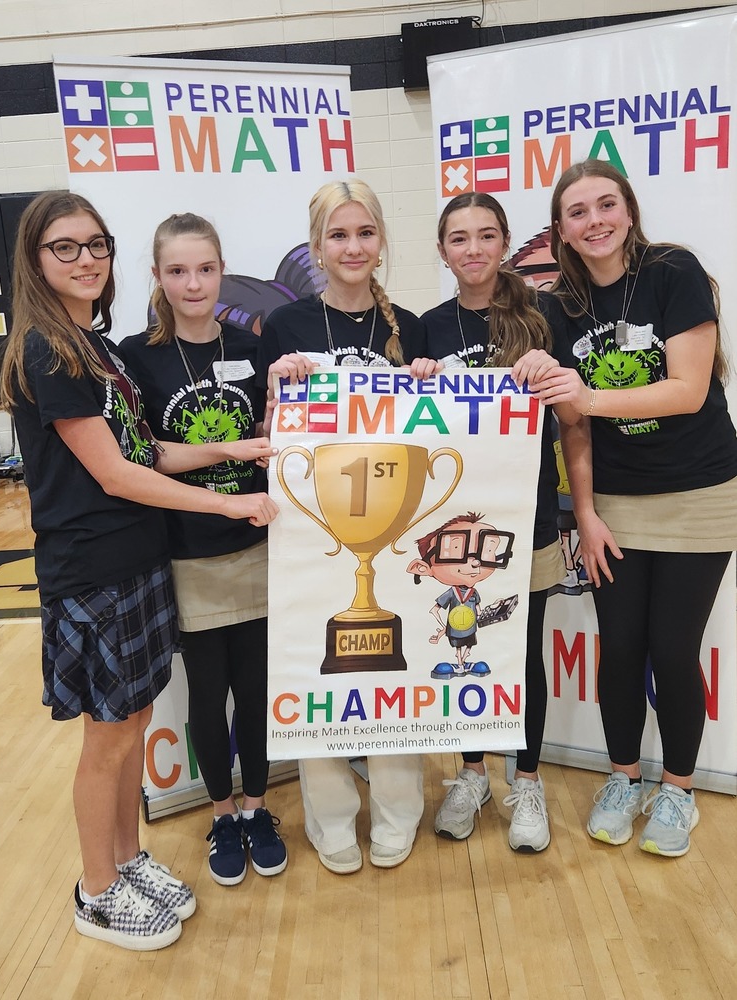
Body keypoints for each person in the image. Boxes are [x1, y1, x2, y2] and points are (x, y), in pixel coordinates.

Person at [0, 192, 278, 951]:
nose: (86, 259)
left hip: (140, 562)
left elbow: (148, 451)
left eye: (96, 244)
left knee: (136, 722)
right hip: (92, 573)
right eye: (66, 247)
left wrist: (232, 453)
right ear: (34, 259)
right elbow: (115, 475)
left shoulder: (100, 347)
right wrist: (228, 508)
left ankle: (127, 860)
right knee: (108, 740)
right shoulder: (46, 351)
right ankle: (95, 892)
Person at [530, 159, 737, 857]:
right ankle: (623, 778)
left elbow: (686, 388)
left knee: (673, 651)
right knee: (619, 649)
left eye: (605, 205)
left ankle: (677, 789)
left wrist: (587, 395)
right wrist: (584, 512)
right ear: (560, 228)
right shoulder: (559, 306)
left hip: (699, 494)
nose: (594, 221)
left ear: (628, 208)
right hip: (614, 500)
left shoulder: (674, 273)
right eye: (578, 212)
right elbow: (573, 427)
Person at [258, 178, 439, 875]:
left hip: (393, 529)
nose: (353, 247)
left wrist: (432, 382)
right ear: (316, 247)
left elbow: (435, 434)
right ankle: (330, 816)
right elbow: (270, 438)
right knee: (318, 670)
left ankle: (398, 809)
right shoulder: (287, 328)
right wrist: (278, 387)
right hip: (313, 529)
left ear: (382, 239)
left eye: (365, 233)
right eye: (339, 235)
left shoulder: (412, 329)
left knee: (397, 668)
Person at [117, 213, 287, 889]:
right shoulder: (137, 355)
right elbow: (149, 455)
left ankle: (257, 809)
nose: (193, 283)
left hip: (259, 548)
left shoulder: (259, 347)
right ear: (156, 277)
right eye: (178, 270)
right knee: (207, 696)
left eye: (205, 269)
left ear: (223, 271)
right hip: (188, 554)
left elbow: (277, 435)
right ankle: (221, 813)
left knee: (256, 693)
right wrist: (226, 450)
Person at [421, 192, 564, 852]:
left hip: (525, 513)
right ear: (443, 250)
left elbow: (575, 420)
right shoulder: (425, 326)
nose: (473, 248)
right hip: (454, 526)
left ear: (505, 241)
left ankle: (526, 780)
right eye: (459, 238)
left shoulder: (544, 314)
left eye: (485, 235)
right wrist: (412, 378)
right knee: (465, 649)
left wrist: (551, 370)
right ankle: (472, 773)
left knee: (522, 649)